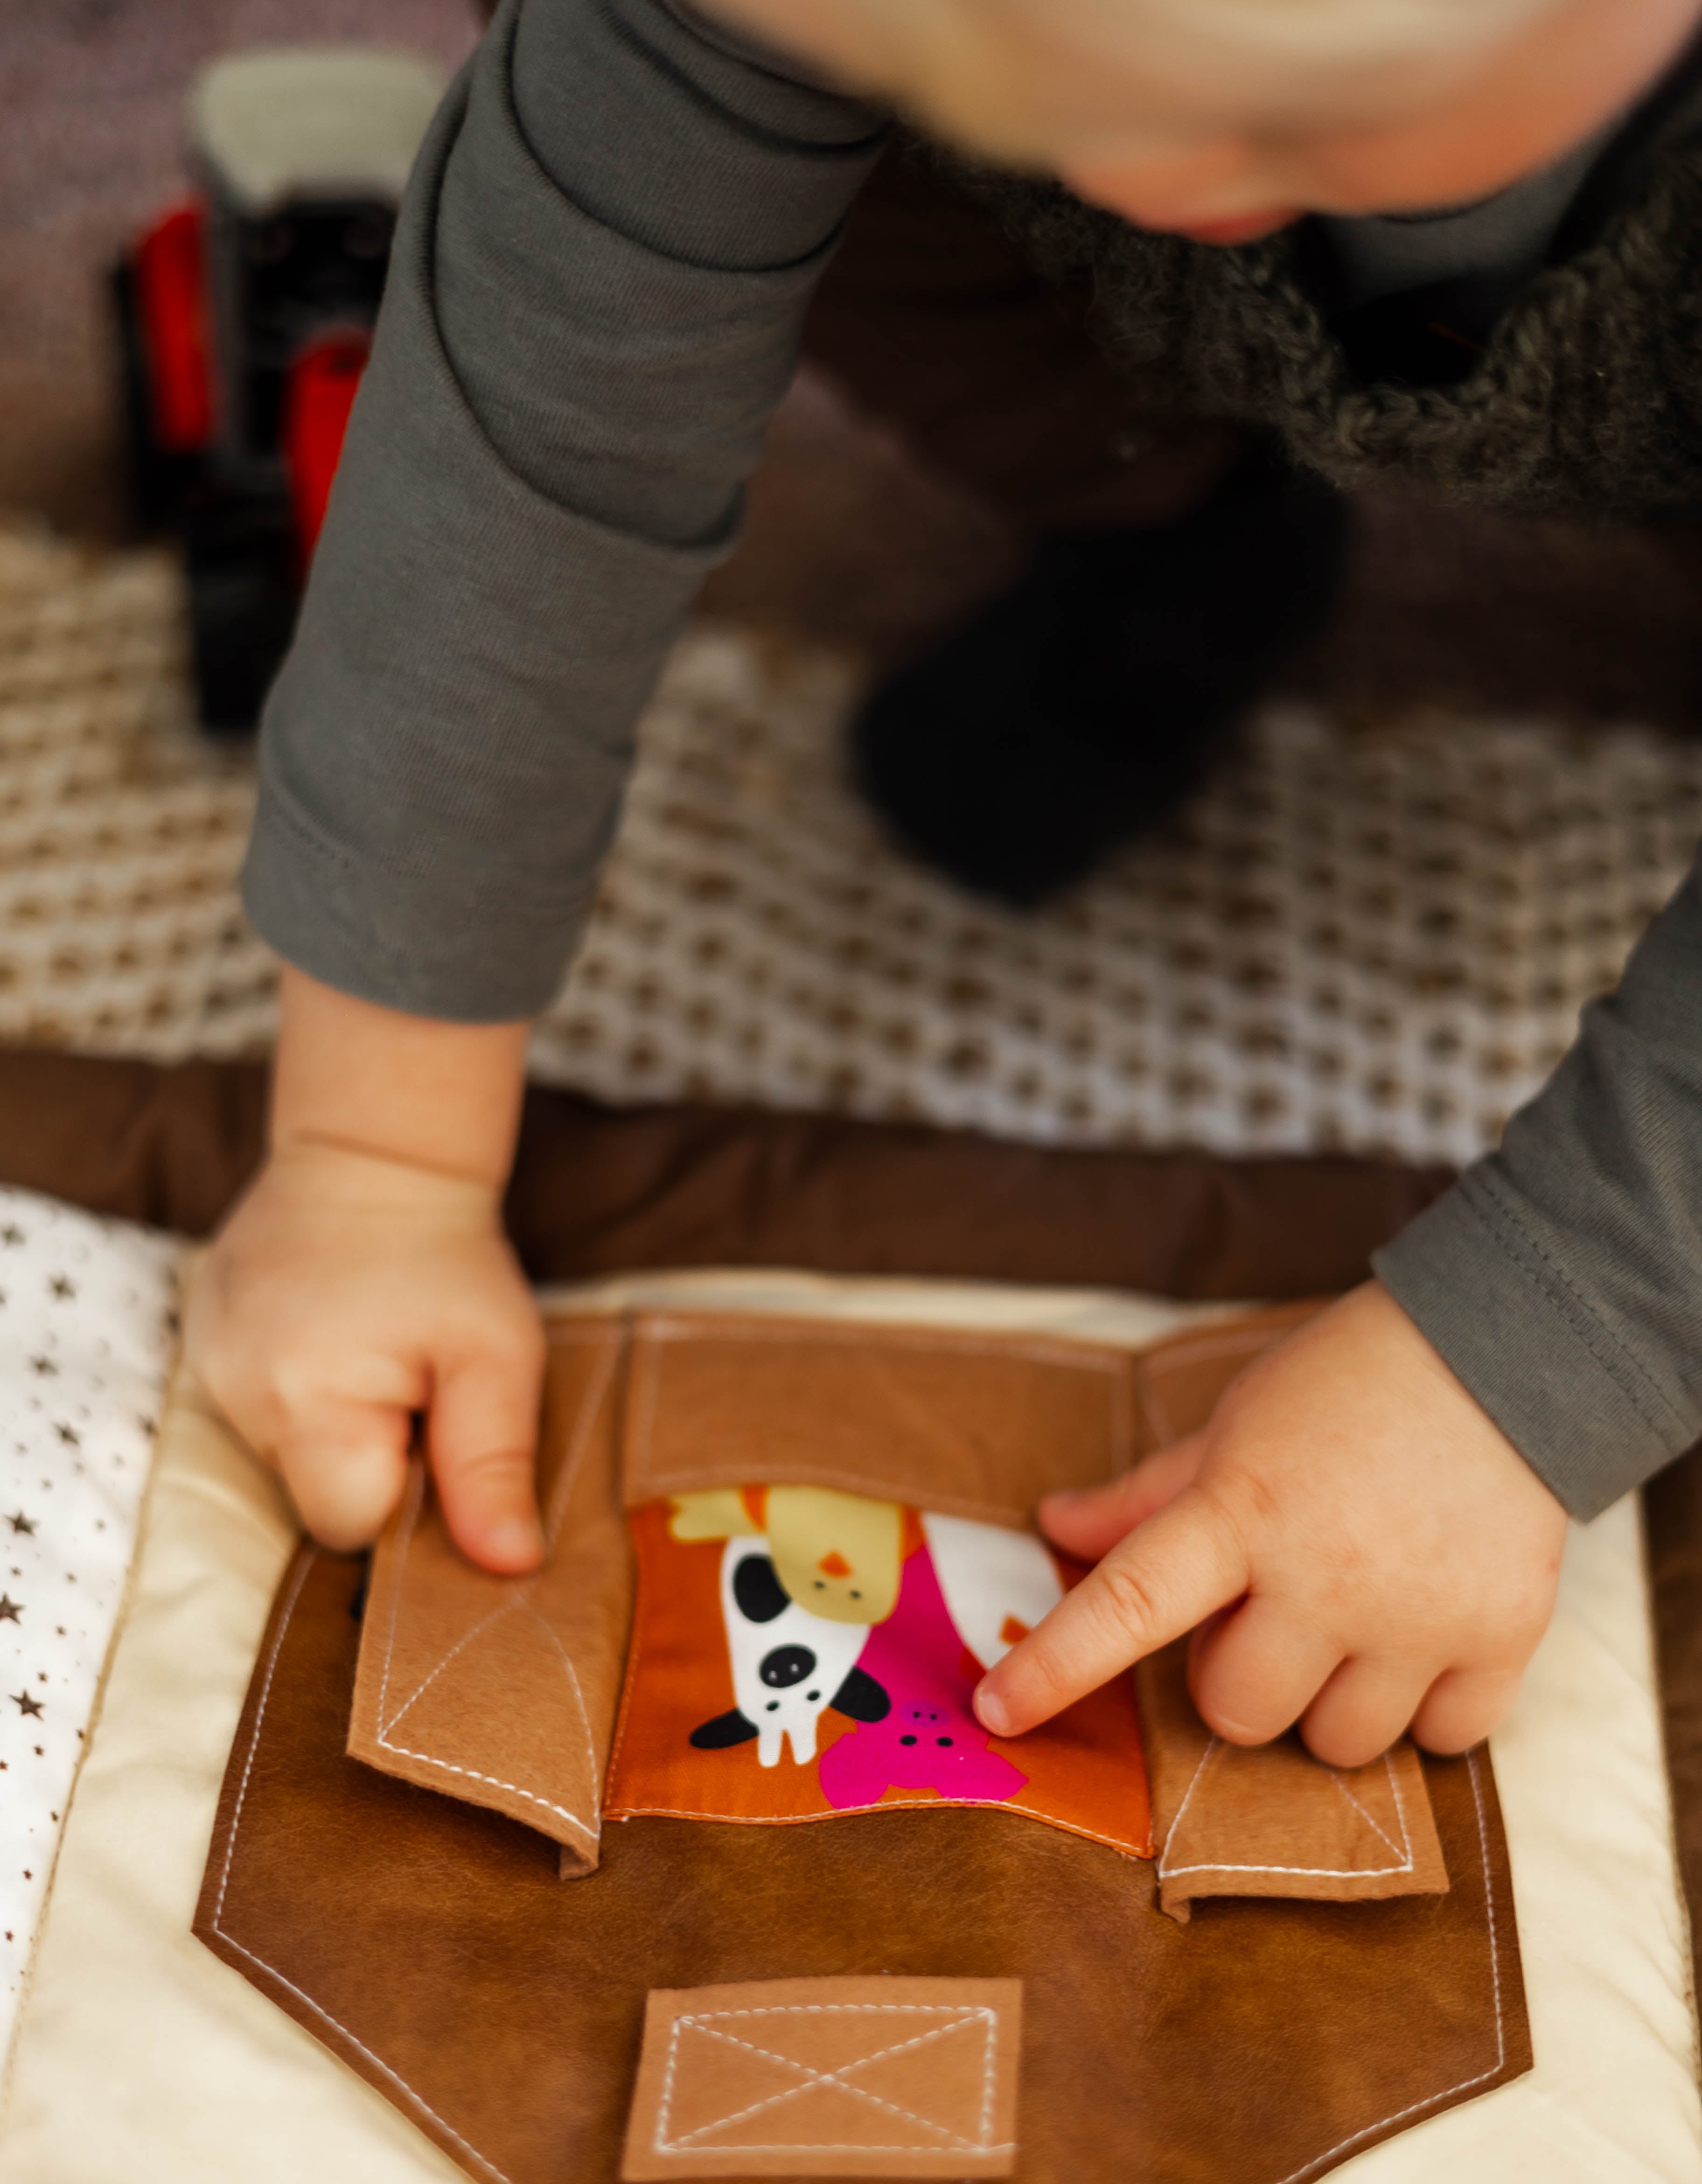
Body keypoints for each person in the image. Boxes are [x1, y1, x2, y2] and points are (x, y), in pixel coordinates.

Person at [188, 0, 1702, 1773]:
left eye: (1295, 128)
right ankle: (1175, 509)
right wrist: (377, 1159)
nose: (1152, 181)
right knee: (753, 140)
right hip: (1063, 268)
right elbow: (544, 423)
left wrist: (1530, 1362)